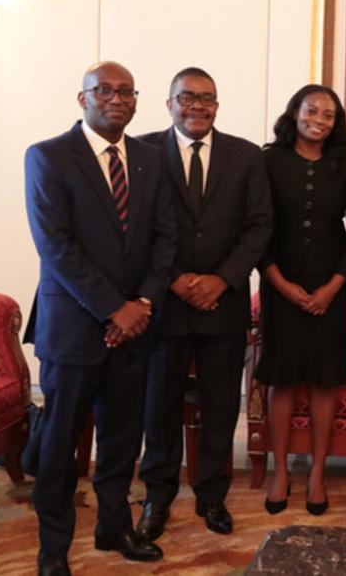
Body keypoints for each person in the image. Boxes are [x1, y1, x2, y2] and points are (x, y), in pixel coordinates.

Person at [23, 61, 177, 575]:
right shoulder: (48, 156)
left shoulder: (152, 160)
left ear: (136, 101)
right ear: (82, 98)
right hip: (73, 329)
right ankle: (53, 547)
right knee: (59, 444)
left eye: (126, 91)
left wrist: (143, 305)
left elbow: (165, 240)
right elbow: (56, 246)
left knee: (121, 438)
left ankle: (114, 527)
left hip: (135, 329)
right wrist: (116, 308)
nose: (116, 99)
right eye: (104, 90)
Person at [134, 68, 272, 540]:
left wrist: (222, 279)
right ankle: (157, 496)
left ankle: (212, 495)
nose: (197, 106)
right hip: (164, 304)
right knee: (160, 406)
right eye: (187, 97)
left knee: (220, 406)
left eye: (207, 98)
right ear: (169, 103)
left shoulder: (246, 156)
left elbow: (259, 226)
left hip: (222, 305)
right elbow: (135, 225)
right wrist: (172, 279)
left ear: (217, 105)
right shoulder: (143, 151)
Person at [254, 84, 346, 516]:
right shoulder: (268, 161)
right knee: (281, 379)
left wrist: (334, 288)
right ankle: (281, 471)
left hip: (330, 289)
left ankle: (318, 472)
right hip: (279, 285)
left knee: (323, 381)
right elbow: (256, 228)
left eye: (328, 115)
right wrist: (280, 284)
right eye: (311, 110)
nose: (318, 119)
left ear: (336, 123)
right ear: (294, 112)